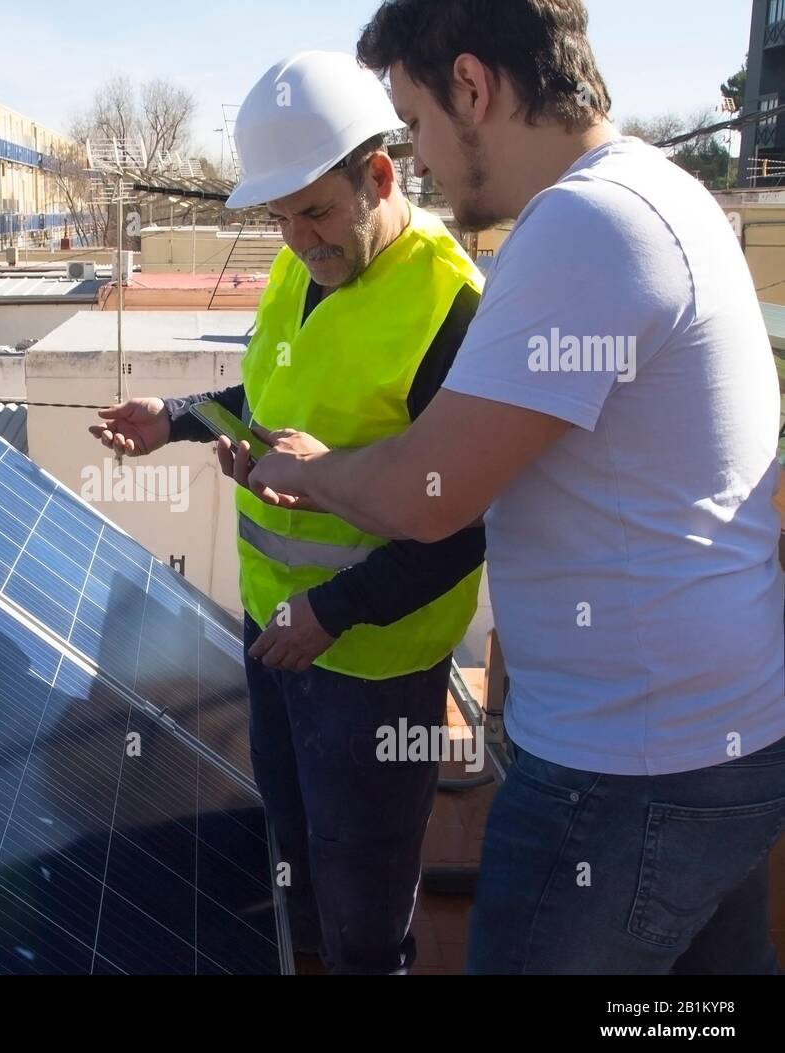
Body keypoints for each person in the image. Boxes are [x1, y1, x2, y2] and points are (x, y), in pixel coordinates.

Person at [246, 0, 785, 974]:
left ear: (472, 86)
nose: (418, 157)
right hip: (710, 746)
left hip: (624, 775)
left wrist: (307, 473)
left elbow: (432, 492)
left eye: (413, 122)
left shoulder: (585, 226)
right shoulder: (662, 196)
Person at [89, 51, 486, 974]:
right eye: (280, 219)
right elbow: (272, 388)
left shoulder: (449, 310)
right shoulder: (302, 268)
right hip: (276, 640)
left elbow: (466, 525)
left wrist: (331, 614)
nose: (299, 237)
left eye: (314, 211)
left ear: (378, 175)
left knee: (364, 894)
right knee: (295, 855)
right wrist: (179, 420)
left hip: (372, 670)